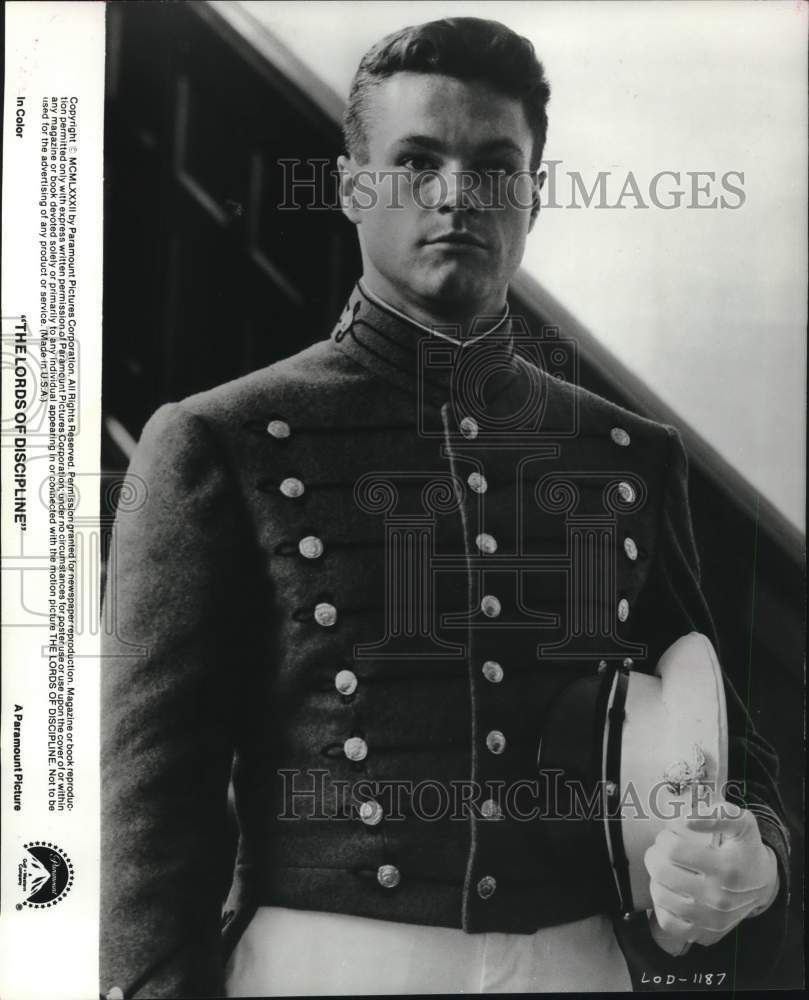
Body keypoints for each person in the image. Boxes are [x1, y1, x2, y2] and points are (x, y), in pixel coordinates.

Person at [100, 17, 790, 999]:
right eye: (415, 159)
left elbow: (737, 763)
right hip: (319, 969)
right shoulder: (221, 443)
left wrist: (752, 863)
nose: (457, 194)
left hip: (576, 966)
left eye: (495, 166)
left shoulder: (630, 458)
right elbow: (150, 819)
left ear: (535, 195)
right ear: (350, 186)